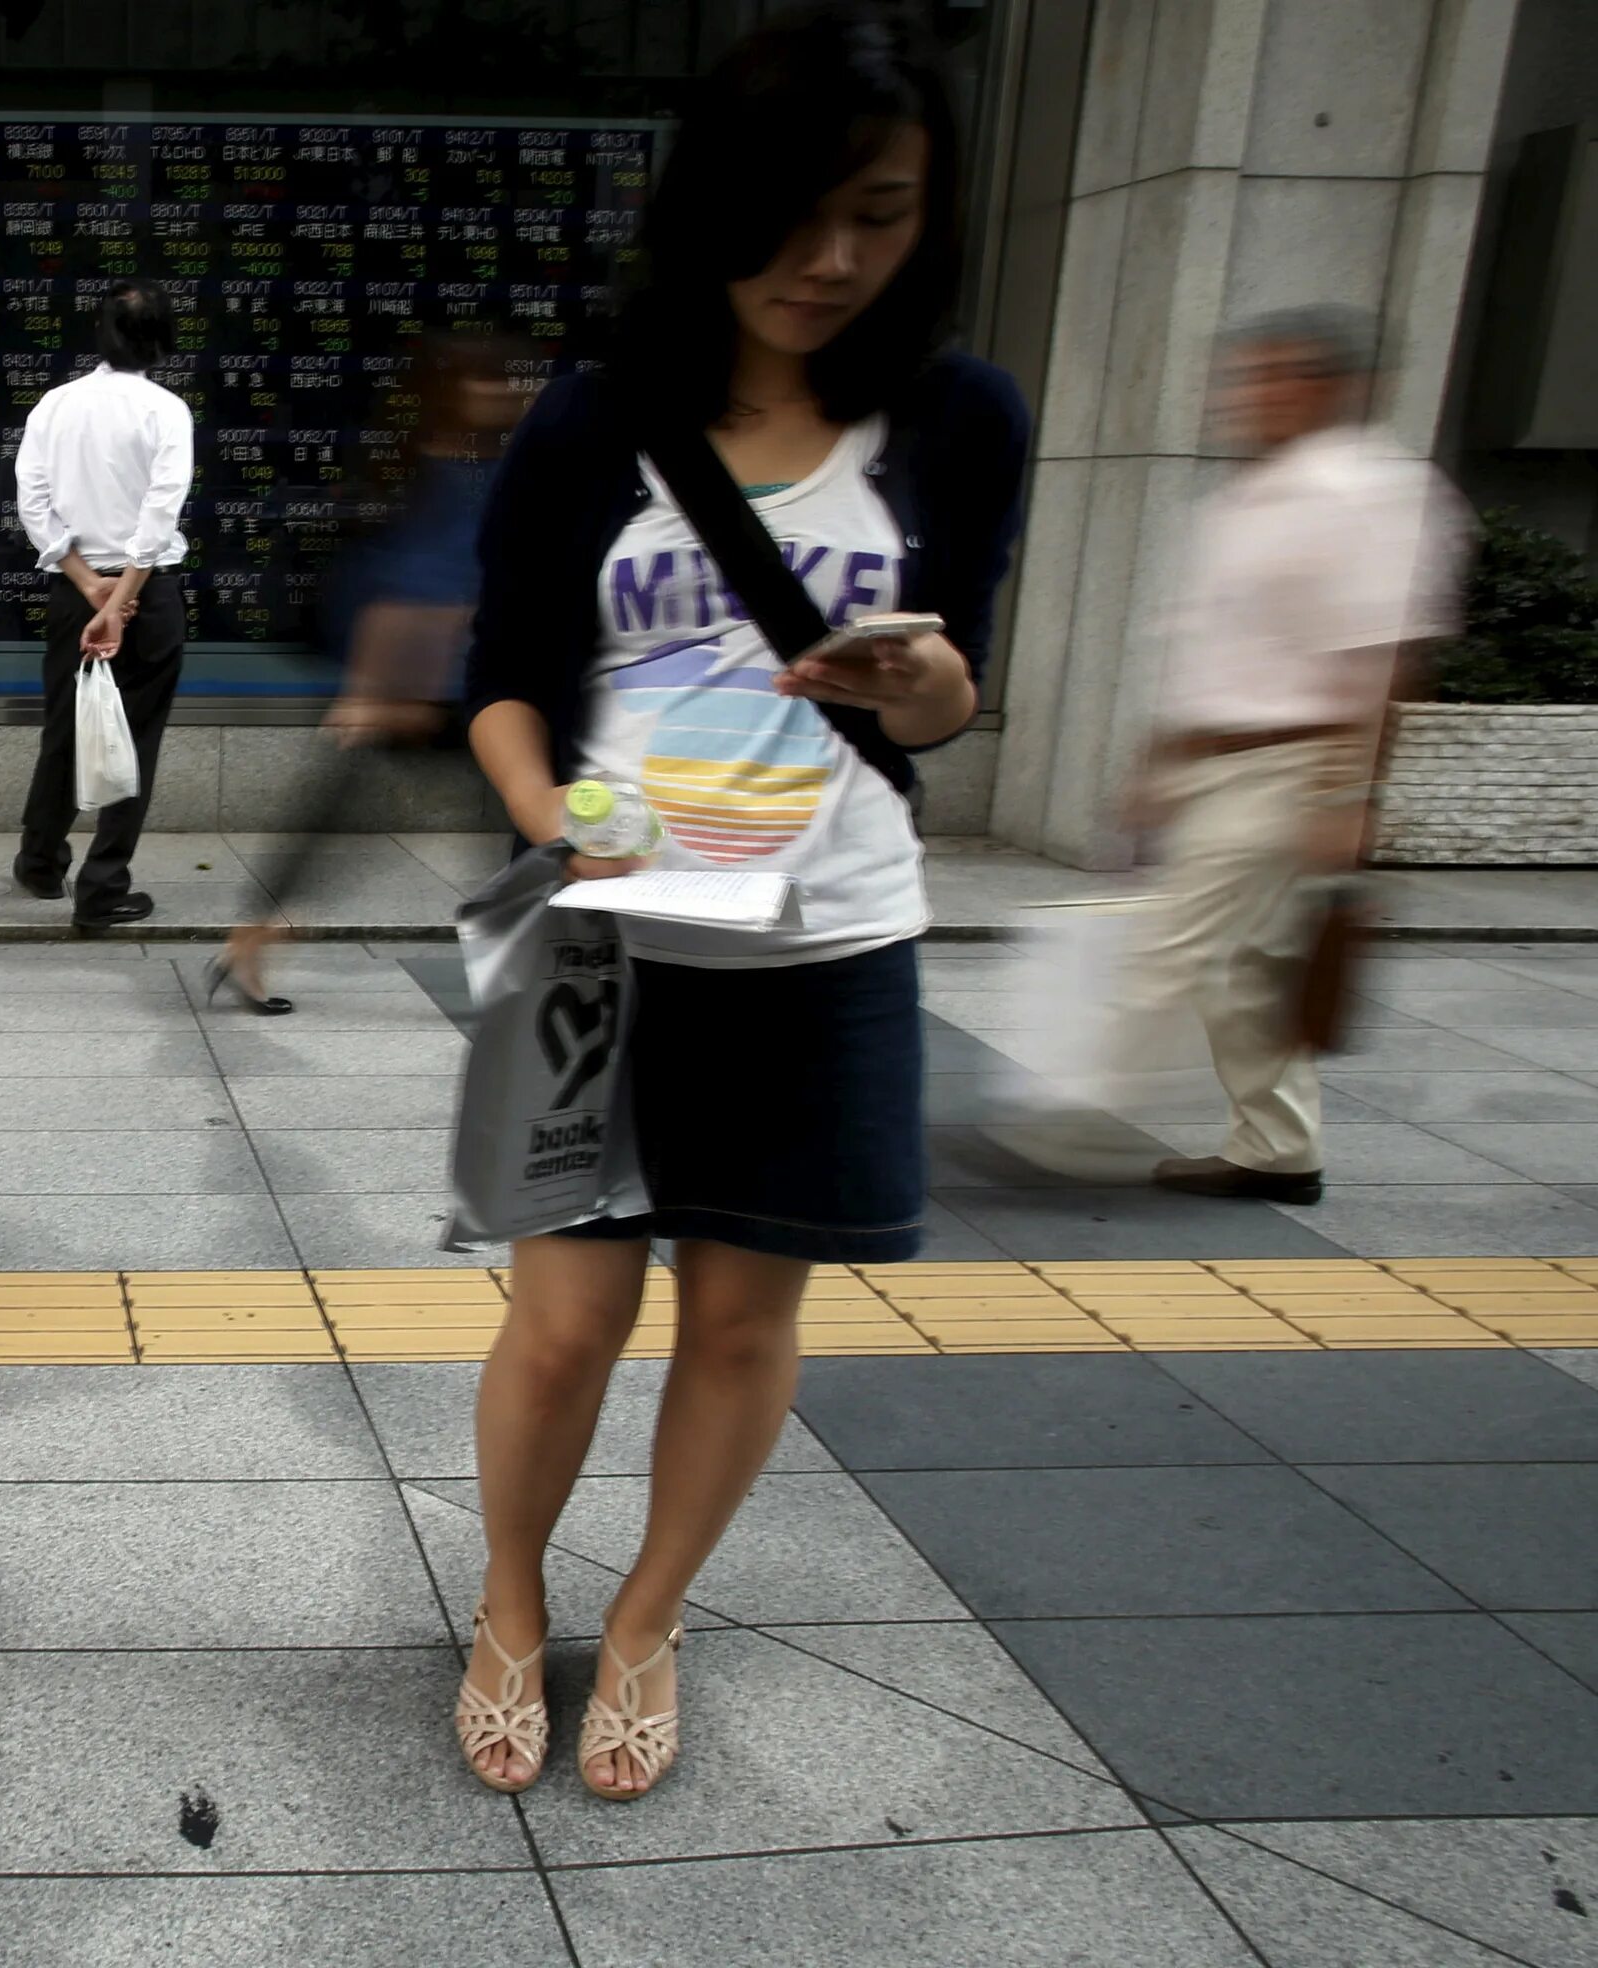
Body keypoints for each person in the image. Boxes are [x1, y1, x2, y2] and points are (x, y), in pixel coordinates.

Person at [448, 1, 1029, 1800]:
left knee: (743, 1316)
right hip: (610, 932)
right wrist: (555, 815)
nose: (832, 255)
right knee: (561, 1317)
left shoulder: (958, 417)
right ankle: (506, 1593)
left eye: (882, 209)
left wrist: (919, 686)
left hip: (830, 930)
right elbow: (503, 677)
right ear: (714, 201)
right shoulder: (597, 415)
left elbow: (952, 697)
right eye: (796, 209)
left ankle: (646, 1615)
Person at [1113, 310, 1470, 1204]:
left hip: (1291, 765)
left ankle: (1063, 1109)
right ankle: (1278, 1150)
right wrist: (1163, 759)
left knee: (1182, 948)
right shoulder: (1245, 497)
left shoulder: (1367, 492)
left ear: (1330, 386)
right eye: (1246, 378)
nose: (1251, 397)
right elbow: (1208, 647)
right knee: (1241, 967)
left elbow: (1386, 656)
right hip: (1220, 760)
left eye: (1276, 377)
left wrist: (1350, 795)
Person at [208, 333, 530, 1014]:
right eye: (489, 382)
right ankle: (255, 938)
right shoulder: (440, 469)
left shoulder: (478, 463)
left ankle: (253, 940)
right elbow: (404, 575)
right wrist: (369, 687)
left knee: (498, 824)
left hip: (463, 676)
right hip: (438, 682)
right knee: (361, 818)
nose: (504, 396)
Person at [10, 278, 195, 930]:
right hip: (147, 597)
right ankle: (103, 886)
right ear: (162, 337)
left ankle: (39, 862)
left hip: (74, 591)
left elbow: (32, 501)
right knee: (134, 740)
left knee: (64, 725)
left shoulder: (54, 406)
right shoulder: (166, 411)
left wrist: (88, 585)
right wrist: (120, 602)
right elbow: (159, 511)